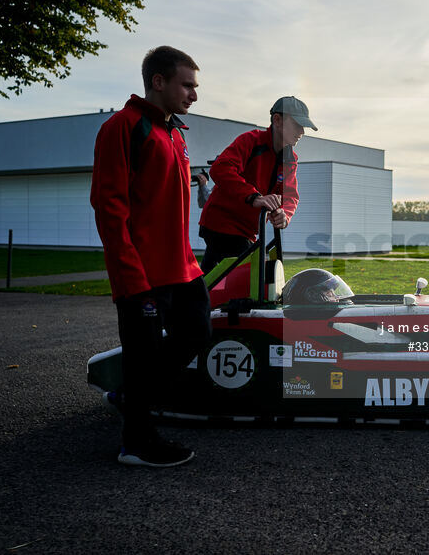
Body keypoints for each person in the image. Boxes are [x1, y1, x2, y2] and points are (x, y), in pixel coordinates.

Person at [90, 46, 212, 468]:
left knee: (196, 333)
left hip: (183, 268)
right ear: (158, 81)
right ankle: (136, 444)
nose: (193, 94)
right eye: (187, 85)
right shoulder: (122, 127)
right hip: (141, 273)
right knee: (141, 359)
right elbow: (109, 208)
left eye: (195, 86)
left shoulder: (176, 134)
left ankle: (128, 398)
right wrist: (130, 276)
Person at [198, 96, 317, 273]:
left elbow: (290, 196)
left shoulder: (290, 160)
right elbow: (220, 169)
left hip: (246, 230)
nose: (302, 132)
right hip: (222, 223)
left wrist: (284, 213)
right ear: (277, 120)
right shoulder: (251, 141)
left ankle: (192, 296)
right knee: (250, 277)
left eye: (303, 127)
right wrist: (253, 197)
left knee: (210, 280)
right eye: (297, 125)